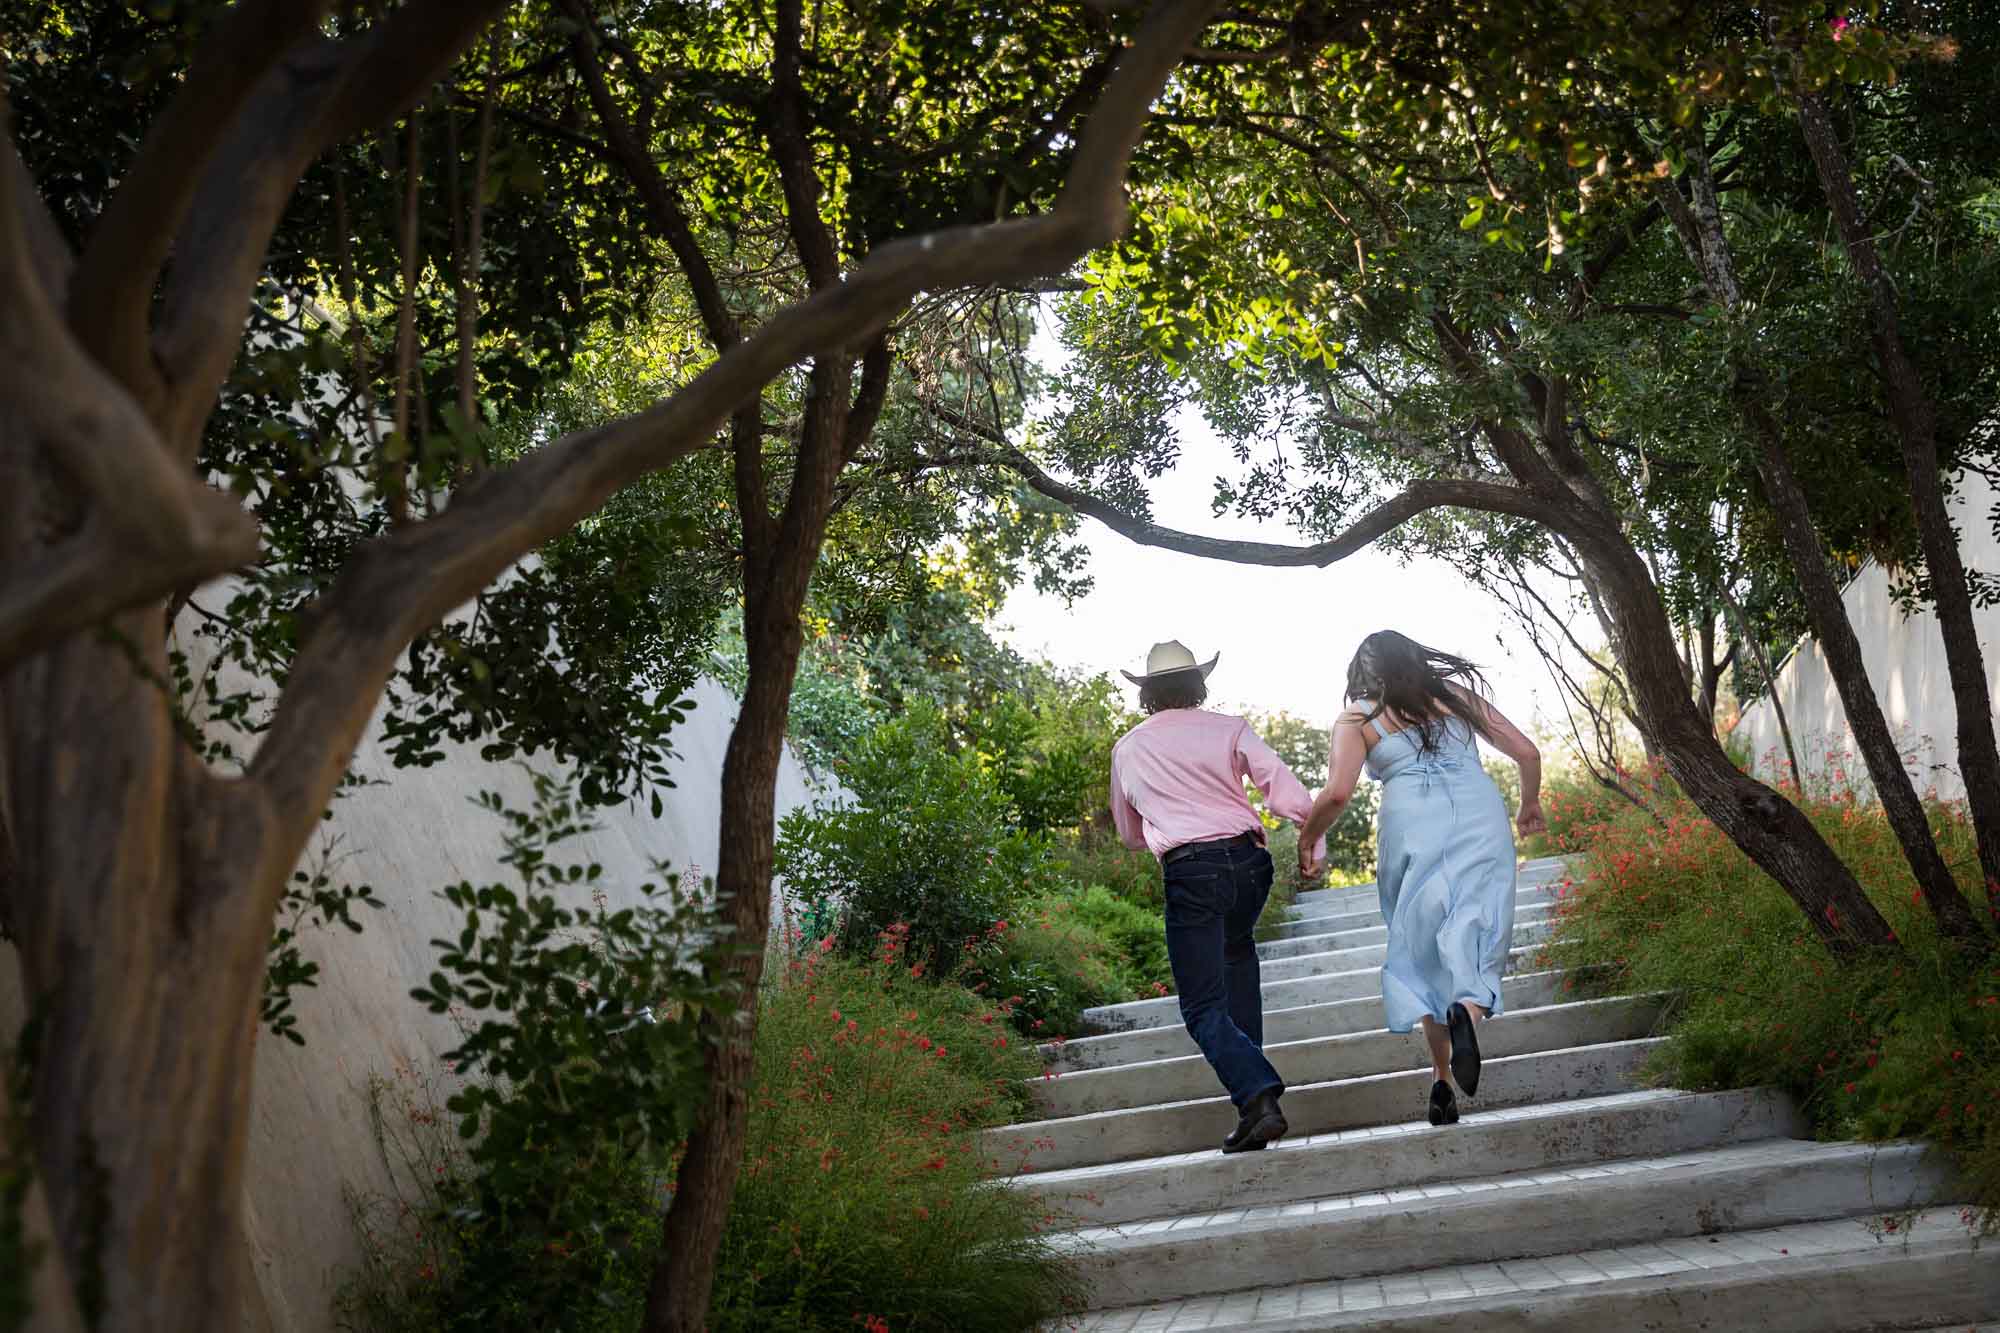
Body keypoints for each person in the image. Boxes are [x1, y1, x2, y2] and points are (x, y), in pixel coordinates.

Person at [1296, 631, 1545, 1127]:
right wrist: (1528, 803)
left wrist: (1308, 839)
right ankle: (1469, 1014)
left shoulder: (1357, 718)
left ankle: (1440, 1080)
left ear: (1362, 673)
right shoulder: (1458, 698)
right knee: (1480, 926)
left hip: (1411, 828)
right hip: (1479, 816)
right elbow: (1528, 753)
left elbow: (1337, 794)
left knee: (1420, 947)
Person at [1109, 640, 1327, 1154]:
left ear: (1148, 694)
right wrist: (1311, 836)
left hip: (1192, 871)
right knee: (1237, 964)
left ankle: (1259, 1093)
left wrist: (1169, 830)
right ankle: (1253, 1112)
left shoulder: (1129, 748)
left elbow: (1129, 833)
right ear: (1197, 685)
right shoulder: (1229, 728)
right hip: (1249, 865)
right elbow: (1279, 781)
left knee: (1203, 1006)